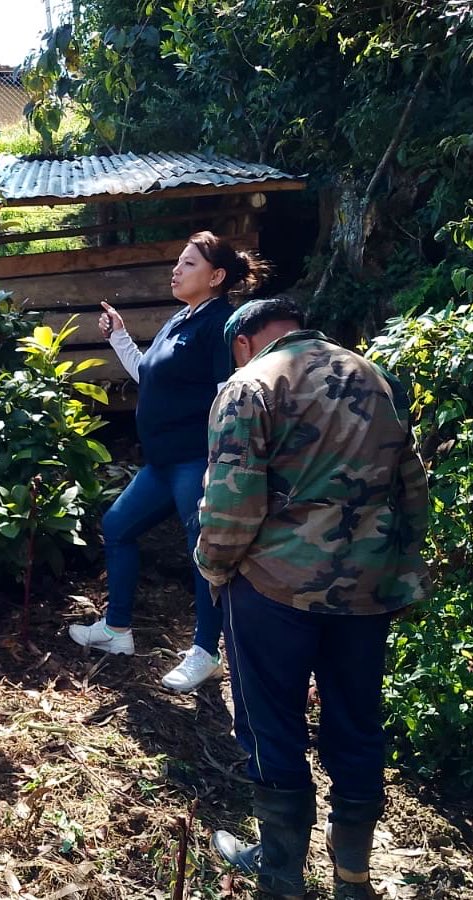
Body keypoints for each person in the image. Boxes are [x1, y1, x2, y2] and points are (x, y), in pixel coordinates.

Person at [196, 299, 430, 900]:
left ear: (244, 341)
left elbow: (231, 501)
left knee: (272, 724)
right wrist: (401, 572)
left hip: (275, 588)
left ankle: (281, 877)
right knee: (356, 724)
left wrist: (215, 570)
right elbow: (412, 483)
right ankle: (353, 877)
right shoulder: (375, 376)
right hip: (367, 587)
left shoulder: (250, 385)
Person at [68, 231, 267, 693]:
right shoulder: (181, 318)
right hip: (160, 462)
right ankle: (117, 631)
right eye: (178, 262)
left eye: (189, 264)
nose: (176, 270)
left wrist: (221, 461)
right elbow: (148, 375)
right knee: (117, 527)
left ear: (216, 277)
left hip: (194, 460)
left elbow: (227, 395)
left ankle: (206, 652)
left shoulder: (221, 325)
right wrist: (119, 337)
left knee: (204, 552)